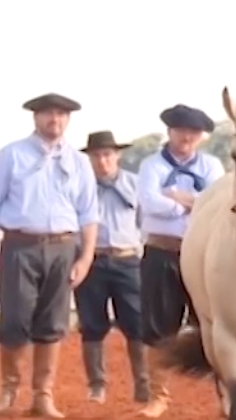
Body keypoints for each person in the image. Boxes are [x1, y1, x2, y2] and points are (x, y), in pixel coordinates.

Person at [0, 92, 99, 419]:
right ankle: (8, 389)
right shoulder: (12, 155)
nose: (54, 120)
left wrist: (86, 258)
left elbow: (88, 213)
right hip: (19, 244)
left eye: (61, 114)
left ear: (68, 120)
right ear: (35, 118)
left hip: (63, 246)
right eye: (48, 114)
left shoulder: (79, 162)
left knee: (53, 321)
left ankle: (43, 395)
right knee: (14, 318)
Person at [136, 104, 225, 418]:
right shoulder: (151, 165)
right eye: (180, 130)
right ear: (170, 131)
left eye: (193, 132)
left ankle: (225, 396)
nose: (186, 136)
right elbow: (149, 203)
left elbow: (217, 203)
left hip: (202, 252)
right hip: (163, 250)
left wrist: (176, 197)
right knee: (158, 325)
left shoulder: (213, 166)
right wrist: (188, 205)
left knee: (214, 325)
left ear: (200, 137)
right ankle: (157, 397)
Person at [75, 130, 149, 405]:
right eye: (96, 155)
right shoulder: (81, 188)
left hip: (127, 259)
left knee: (137, 323)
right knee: (92, 324)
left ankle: (143, 383)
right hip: (92, 259)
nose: (102, 161)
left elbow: (145, 221)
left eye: (107, 154)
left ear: (117, 155)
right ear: (89, 158)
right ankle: (97, 384)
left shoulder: (136, 185)